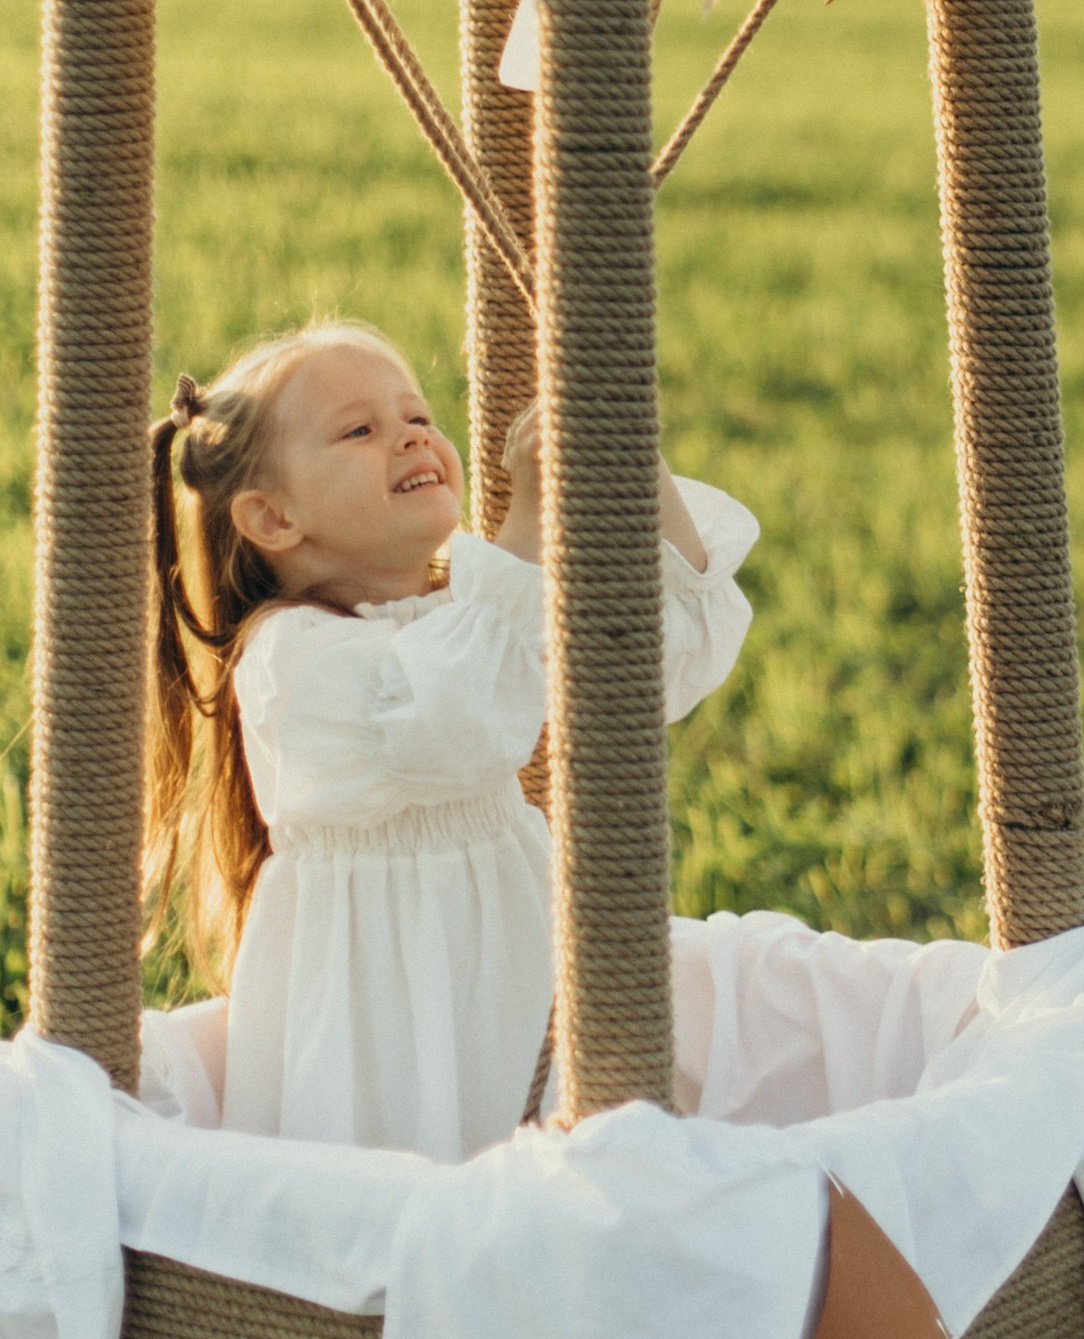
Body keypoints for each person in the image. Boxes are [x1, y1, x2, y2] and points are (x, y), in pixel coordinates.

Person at [144, 321, 754, 1159]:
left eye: (417, 415)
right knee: (417, 1213)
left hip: (509, 980)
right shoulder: (290, 658)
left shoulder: (470, 618)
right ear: (273, 518)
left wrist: (632, 459)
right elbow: (450, 714)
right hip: (389, 1026)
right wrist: (531, 522)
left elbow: (670, 657)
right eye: (360, 430)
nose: (411, 434)